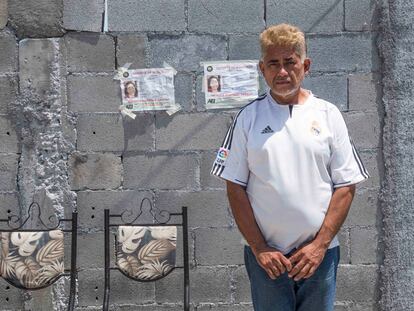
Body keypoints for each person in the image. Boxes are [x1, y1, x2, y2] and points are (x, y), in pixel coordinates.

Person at [210, 24, 369, 311]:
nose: (282, 72)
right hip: (268, 261)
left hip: (319, 258)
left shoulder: (328, 115)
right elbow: (234, 186)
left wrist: (319, 245)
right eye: (273, 64)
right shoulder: (248, 118)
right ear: (262, 69)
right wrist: (259, 247)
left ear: (305, 65)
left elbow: (346, 185)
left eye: (289, 62)